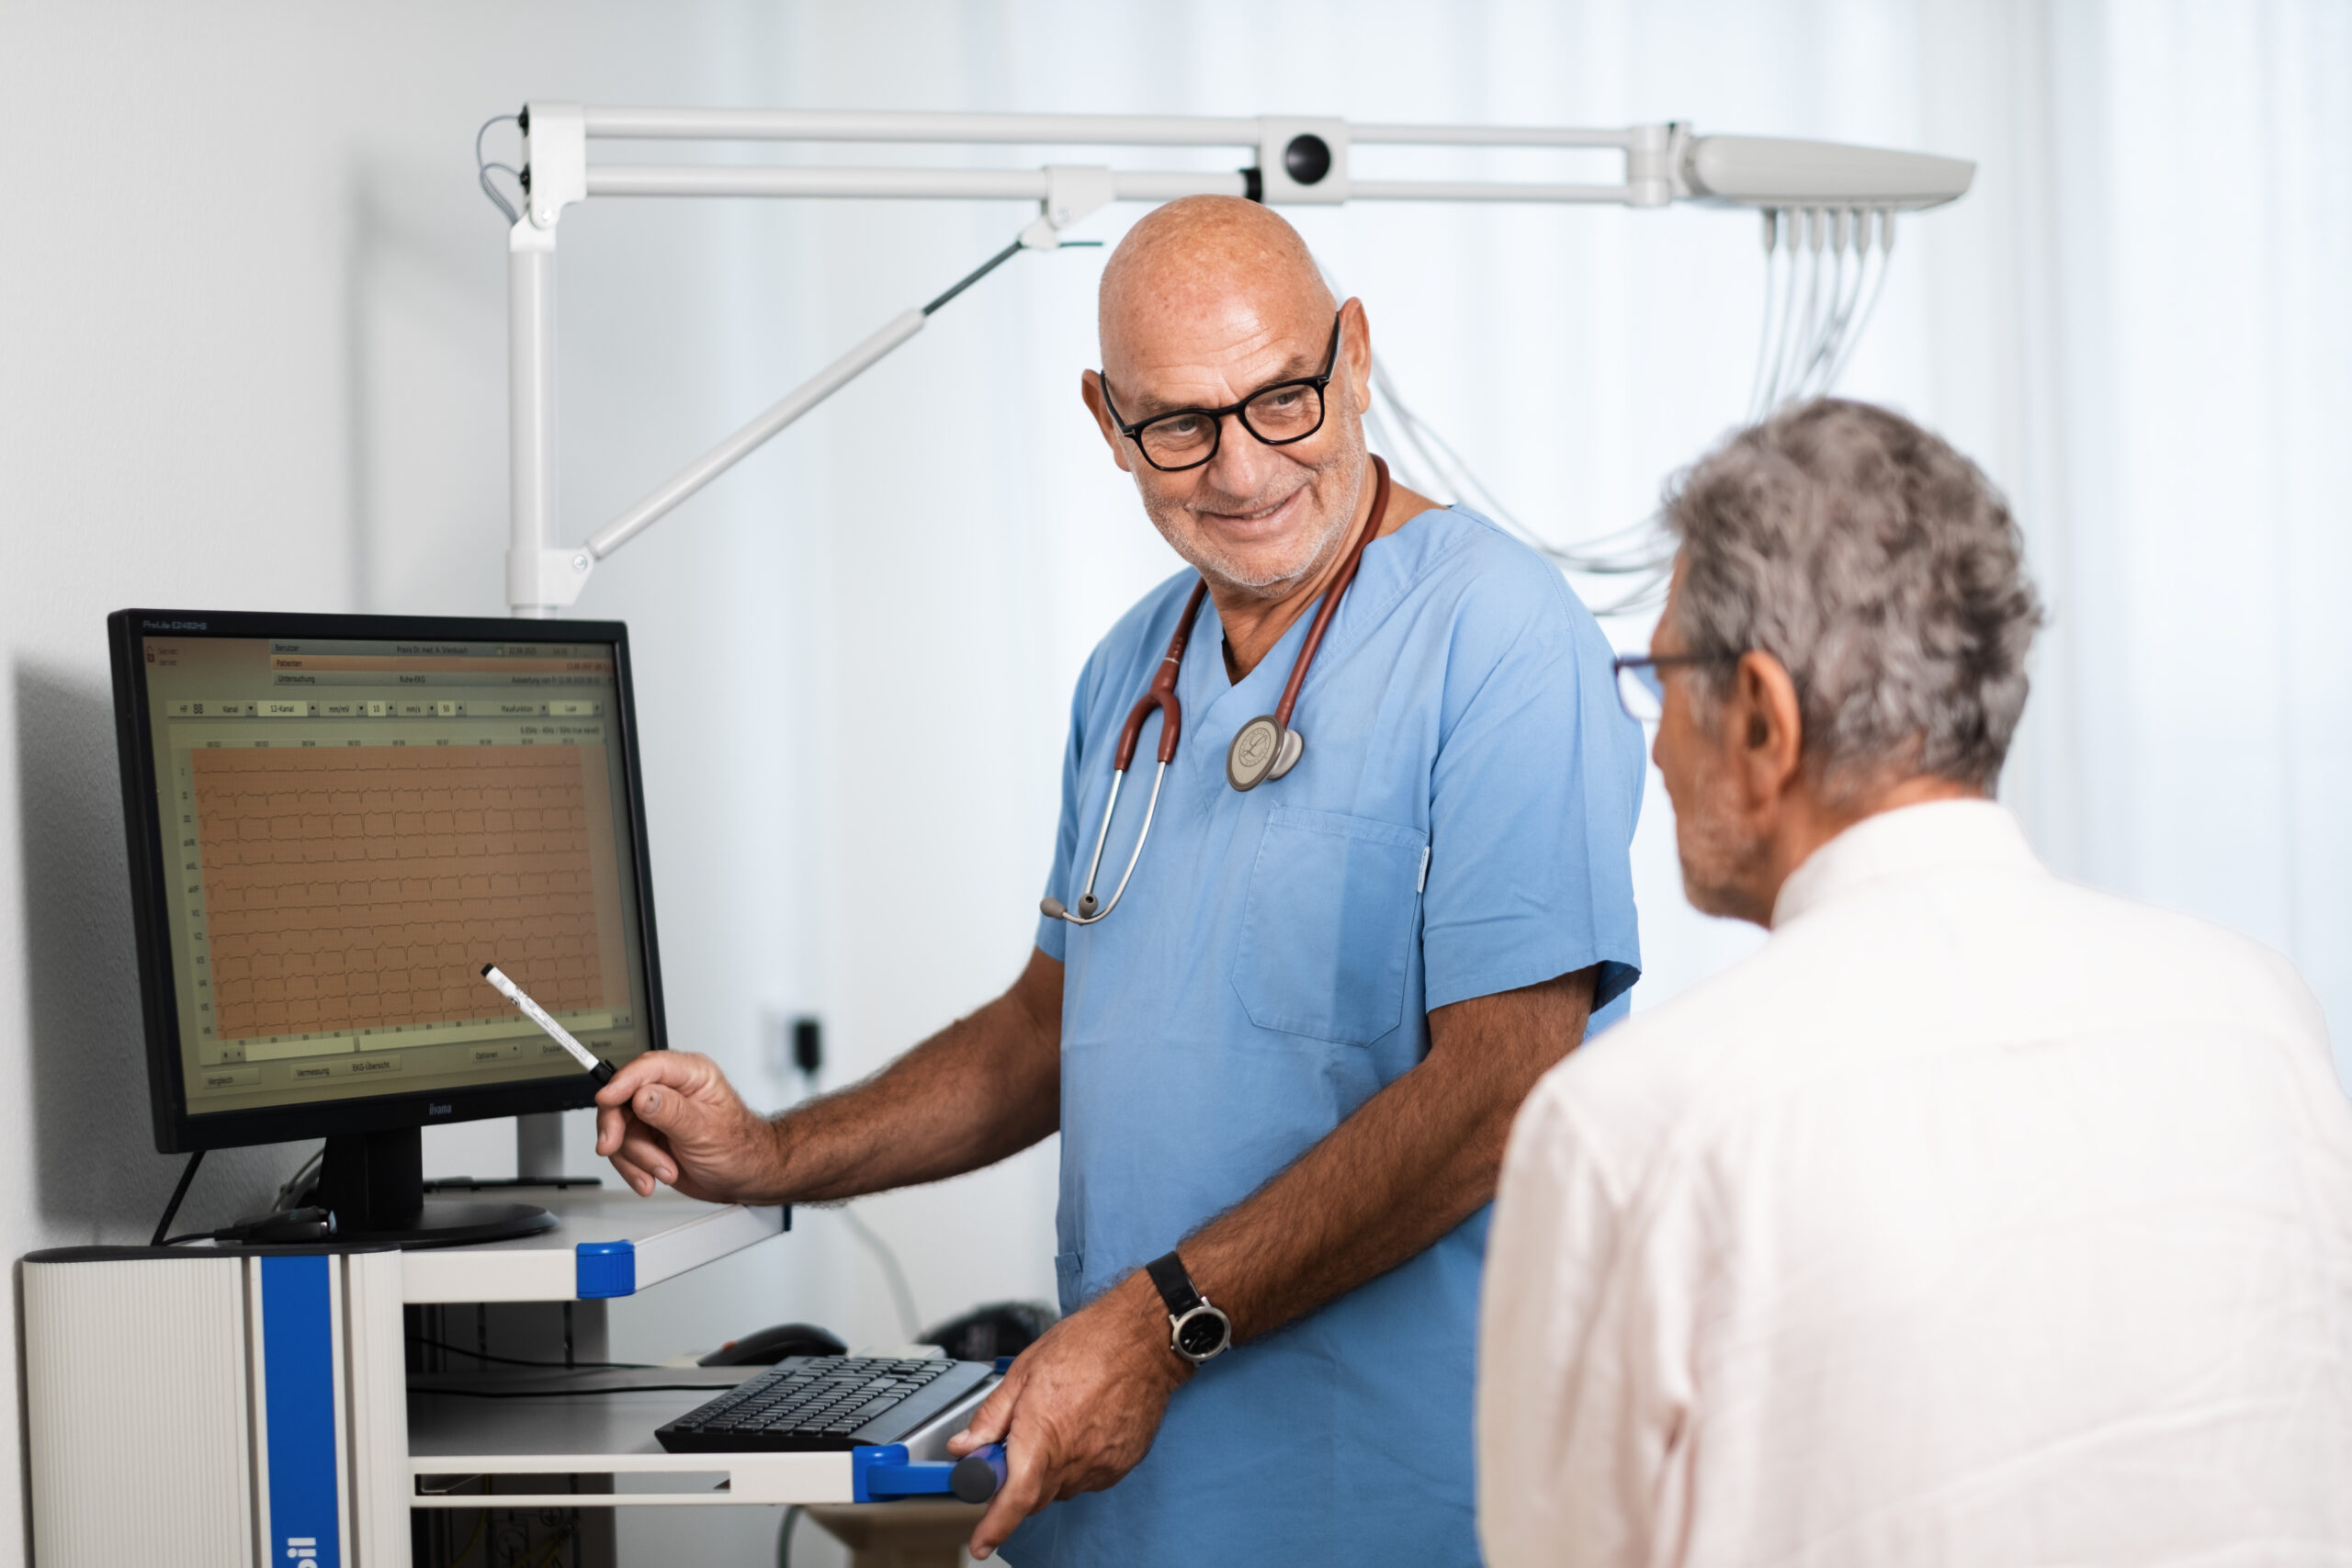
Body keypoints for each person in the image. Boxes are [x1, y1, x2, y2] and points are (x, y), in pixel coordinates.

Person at [594, 195, 1645, 1565]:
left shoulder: (1500, 633)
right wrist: (773, 1153)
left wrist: (1158, 1324)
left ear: (1356, 357)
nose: (1244, 466)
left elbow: (1505, 1083)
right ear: (1107, 421)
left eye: (1282, 397)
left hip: (1395, 1491)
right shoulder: (1129, 672)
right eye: (1179, 423)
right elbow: (1051, 1028)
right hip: (1129, 1497)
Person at [1476, 398, 2352, 1567]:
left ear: (1761, 721)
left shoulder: (1629, 1128)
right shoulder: (2265, 1020)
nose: (1651, 745)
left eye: (1665, 675)